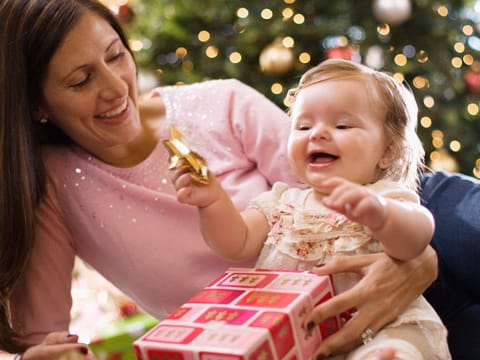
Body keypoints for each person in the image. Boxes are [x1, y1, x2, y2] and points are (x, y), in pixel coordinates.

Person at [1, 1, 480, 360]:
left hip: (420, 216)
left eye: (115, 55)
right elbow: (38, 339)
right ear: (37, 105)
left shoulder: (219, 103)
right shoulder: (51, 190)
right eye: (79, 80)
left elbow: (334, 179)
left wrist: (420, 257)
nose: (114, 86)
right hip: (345, 335)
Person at [172, 58, 450, 359]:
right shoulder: (280, 202)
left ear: (387, 151)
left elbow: (417, 236)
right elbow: (235, 243)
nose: (316, 133)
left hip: (383, 327)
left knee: (397, 350)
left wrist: (381, 215)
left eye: (342, 125)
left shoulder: (382, 197)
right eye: (303, 126)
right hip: (301, 340)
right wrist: (212, 201)